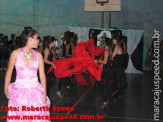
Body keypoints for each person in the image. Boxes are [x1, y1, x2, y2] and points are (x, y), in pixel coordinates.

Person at [4, 29, 50, 122]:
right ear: (29, 39)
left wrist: (44, 94)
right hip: (19, 93)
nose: (38, 41)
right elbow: (9, 72)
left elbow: (42, 76)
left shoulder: (38, 55)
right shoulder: (15, 53)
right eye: (36, 38)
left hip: (35, 92)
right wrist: (5, 89)